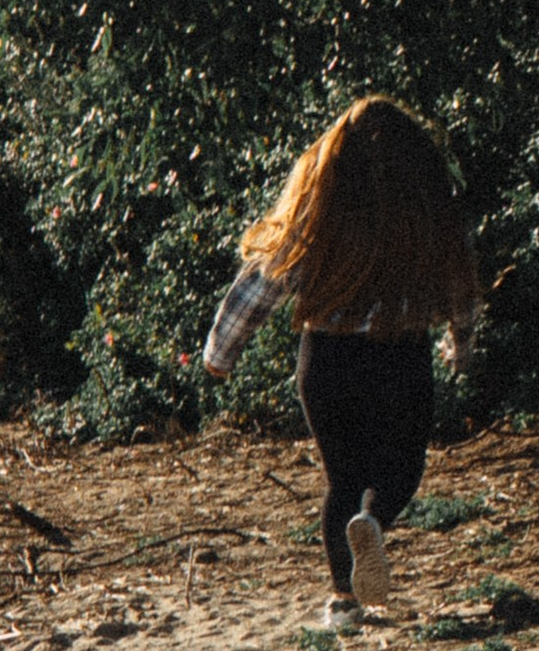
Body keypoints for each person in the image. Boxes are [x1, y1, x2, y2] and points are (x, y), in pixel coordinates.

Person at [202, 97, 479, 622]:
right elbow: (461, 289)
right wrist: (459, 347)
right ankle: (373, 522)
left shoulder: (319, 214)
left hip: (327, 360)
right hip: (401, 354)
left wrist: (221, 351)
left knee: (342, 480)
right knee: (401, 466)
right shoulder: (426, 217)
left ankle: (343, 602)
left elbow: (260, 284)